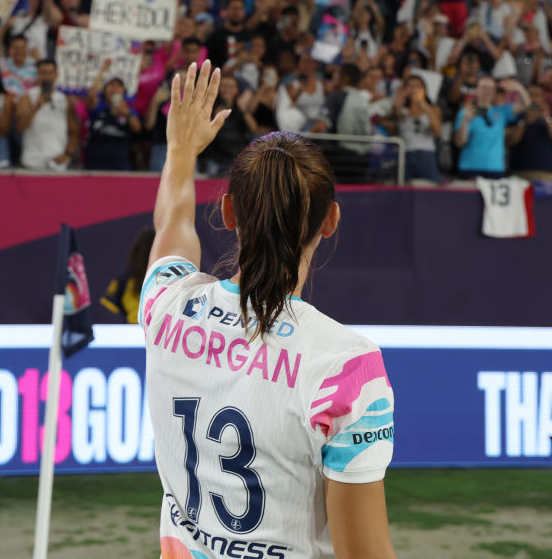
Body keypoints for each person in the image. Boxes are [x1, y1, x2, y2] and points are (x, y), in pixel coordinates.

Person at [141, 60, 396, 557]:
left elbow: (172, 223)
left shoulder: (166, 306)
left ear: (230, 210)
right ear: (330, 222)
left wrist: (180, 152)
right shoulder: (346, 368)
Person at [17, 59, 78, 170]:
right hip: (32, 161)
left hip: (57, 162)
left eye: (50, 73)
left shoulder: (64, 99)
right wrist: (36, 107)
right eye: (43, 73)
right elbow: (20, 127)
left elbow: (74, 132)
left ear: (56, 75)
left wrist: (68, 155)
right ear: (38, 75)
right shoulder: (27, 97)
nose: (47, 77)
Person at [100, 227, 154, 323]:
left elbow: (108, 308)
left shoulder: (123, 280)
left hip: (131, 331)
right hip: (157, 331)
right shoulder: (169, 280)